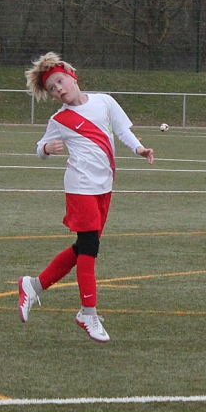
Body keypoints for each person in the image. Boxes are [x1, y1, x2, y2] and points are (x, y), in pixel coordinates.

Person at [16, 52, 155, 343]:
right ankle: (87, 313)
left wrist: (139, 149)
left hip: (104, 186)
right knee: (90, 248)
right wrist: (46, 149)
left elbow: (122, 130)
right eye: (52, 89)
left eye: (60, 82)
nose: (58, 90)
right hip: (80, 187)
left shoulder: (104, 101)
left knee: (83, 247)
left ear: (71, 76)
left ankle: (33, 285)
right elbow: (40, 147)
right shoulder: (60, 119)